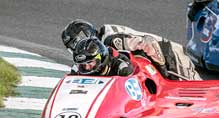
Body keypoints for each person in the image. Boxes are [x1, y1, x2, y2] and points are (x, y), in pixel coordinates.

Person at [61, 19, 202, 80]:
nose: (76, 50)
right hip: (152, 57)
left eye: (75, 44)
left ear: (86, 34)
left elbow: (148, 43)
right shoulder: (102, 44)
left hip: (171, 56)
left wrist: (163, 69)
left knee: (194, 97)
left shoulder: (111, 40)